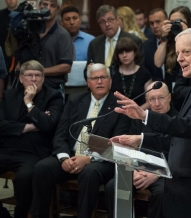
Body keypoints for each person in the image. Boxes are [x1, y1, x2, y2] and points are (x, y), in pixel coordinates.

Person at [112, 28, 191, 218]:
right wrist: (140, 140)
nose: (179, 59)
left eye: (186, 52)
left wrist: (145, 115)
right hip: (179, 186)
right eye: (177, 53)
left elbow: (190, 127)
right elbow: (178, 139)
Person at [30, 63, 131, 218]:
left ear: (110, 81)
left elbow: (118, 143)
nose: (99, 82)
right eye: (94, 78)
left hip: (101, 161)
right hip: (70, 156)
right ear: (88, 82)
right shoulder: (75, 100)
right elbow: (61, 133)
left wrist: (88, 158)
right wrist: (64, 158)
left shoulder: (120, 106)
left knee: (89, 173)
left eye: (103, 77)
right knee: (42, 168)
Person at [0, 60, 63, 218]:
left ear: (43, 78)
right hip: (7, 148)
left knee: (24, 177)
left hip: (34, 152)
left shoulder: (53, 96)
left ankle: (20, 215)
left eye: (38, 75)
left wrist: (29, 103)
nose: (34, 79)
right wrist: (28, 127)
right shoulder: (9, 95)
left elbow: (48, 125)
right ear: (21, 78)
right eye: (29, 75)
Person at [105, 81, 178, 218]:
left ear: (169, 97)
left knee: (162, 193)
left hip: (165, 172)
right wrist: (132, 170)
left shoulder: (178, 120)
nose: (157, 103)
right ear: (147, 100)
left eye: (161, 98)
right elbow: (128, 148)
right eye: (152, 99)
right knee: (113, 187)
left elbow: (179, 153)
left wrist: (157, 173)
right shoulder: (139, 118)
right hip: (138, 168)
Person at [85, 5, 143, 80]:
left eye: (110, 20)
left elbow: (140, 69)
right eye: (102, 22)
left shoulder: (134, 40)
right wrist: (90, 70)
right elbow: (86, 73)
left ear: (117, 20)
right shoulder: (94, 43)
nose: (107, 24)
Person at [154, 6, 191, 95]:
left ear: (188, 22)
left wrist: (187, 34)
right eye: (172, 22)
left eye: (179, 21)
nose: (176, 24)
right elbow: (157, 63)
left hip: (188, 89)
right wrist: (164, 37)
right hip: (170, 91)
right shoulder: (169, 40)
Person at [111, 37, 152, 109]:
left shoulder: (145, 74)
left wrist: (136, 112)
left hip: (138, 115)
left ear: (135, 52)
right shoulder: (112, 72)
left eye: (128, 51)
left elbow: (150, 101)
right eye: (121, 52)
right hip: (115, 114)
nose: (124, 55)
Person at [143, 8, 168, 81]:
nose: (155, 26)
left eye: (158, 22)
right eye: (151, 23)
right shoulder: (145, 46)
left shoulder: (176, 42)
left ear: (167, 21)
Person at [0, 0, 18, 90]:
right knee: (2, 78)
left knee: (19, 80)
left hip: (19, 53)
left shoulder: (23, 13)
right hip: (2, 53)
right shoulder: (1, 14)